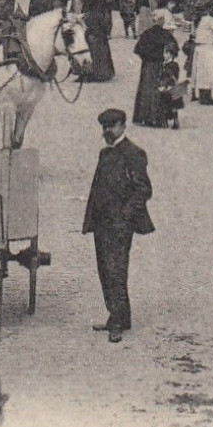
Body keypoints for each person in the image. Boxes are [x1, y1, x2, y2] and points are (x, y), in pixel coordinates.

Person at [82, 108, 154, 344]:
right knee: (105, 269)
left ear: (123, 126)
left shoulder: (134, 154)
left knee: (116, 271)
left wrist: (124, 216)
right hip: (102, 222)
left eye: (112, 126)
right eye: (104, 127)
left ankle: (117, 322)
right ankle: (121, 317)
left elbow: (144, 190)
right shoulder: (105, 154)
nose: (107, 131)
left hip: (120, 225)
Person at [131, 11, 179, 128]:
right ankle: (158, 117)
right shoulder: (166, 35)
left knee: (146, 89)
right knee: (161, 89)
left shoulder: (147, 33)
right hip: (161, 65)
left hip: (147, 65)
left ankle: (143, 116)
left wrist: (146, 58)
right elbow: (175, 50)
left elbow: (137, 49)